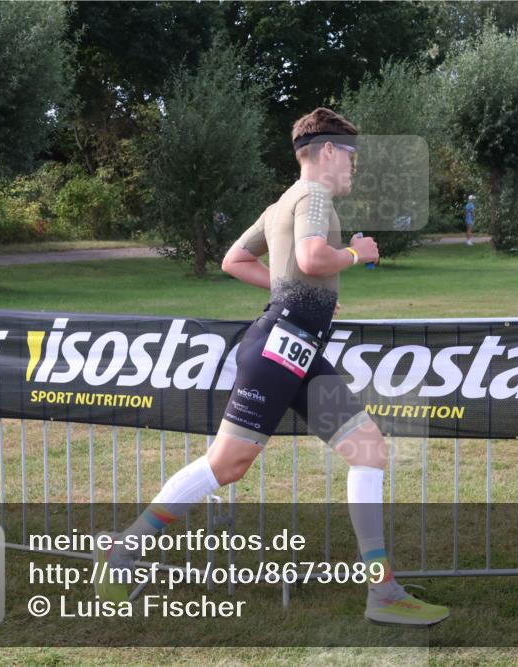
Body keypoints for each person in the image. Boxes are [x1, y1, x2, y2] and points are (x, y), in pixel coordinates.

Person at [93, 107, 449, 627]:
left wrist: (295, 292)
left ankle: (383, 590)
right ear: (327, 151)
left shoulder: (282, 201)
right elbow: (310, 258)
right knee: (226, 465)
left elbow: (234, 260)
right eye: (350, 155)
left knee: (369, 451)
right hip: (280, 350)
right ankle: (123, 550)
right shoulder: (313, 195)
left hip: (297, 350)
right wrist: (355, 253)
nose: (353, 166)